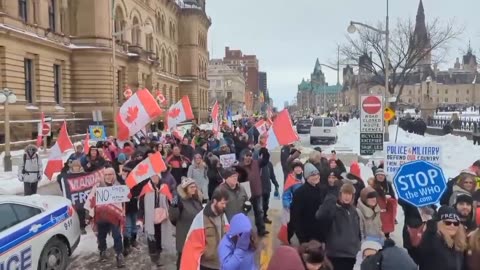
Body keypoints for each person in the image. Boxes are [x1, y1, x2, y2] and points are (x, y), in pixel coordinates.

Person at [85, 167, 125, 268]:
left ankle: (119, 255)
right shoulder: (97, 186)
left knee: (117, 236)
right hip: (101, 216)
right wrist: (88, 214)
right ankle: (102, 251)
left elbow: (123, 201)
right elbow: (90, 199)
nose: (108, 176)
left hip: (114, 216)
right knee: (101, 236)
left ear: (114, 175)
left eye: (110, 174)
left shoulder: (118, 186)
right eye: (106, 174)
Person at [180, 188, 230, 270]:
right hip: (207, 264)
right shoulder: (201, 219)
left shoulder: (223, 215)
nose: (224, 206)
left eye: (225, 204)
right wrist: (207, 253)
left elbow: (228, 234)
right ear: (214, 201)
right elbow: (192, 245)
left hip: (220, 263)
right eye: (222, 203)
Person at [316, 183, 361, 270]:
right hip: (335, 254)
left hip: (351, 254)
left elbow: (357, 231)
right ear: (340, 195)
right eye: (344, 193)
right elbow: (320, 216)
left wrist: (357, 245)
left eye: (349, 194)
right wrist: (330, 198)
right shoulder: (333, 209)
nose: (347, 196)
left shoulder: (354, 211)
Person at [417, 206, 467, 270]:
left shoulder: (458, 246)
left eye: (456, 223)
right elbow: (431, 229)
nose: (452, 225)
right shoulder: (433, 240)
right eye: (448, 223)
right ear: (439, 223)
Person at [169, 177, 203, 270]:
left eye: (194, 186)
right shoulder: (180, 201)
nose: (194, 189)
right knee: (182, 260)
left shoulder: (197, 200)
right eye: (191, 187)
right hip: (184, 235)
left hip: (196, 236)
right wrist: (174, 206)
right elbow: (173, 218)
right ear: (185, 189)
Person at [290, 163, 325, 243]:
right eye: (312, 175)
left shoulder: (322, 190)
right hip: (307, 235)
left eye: (317, 174)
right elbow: (295, 216)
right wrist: (301, 237)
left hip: (320, 234)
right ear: (306, 177)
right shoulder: (300, 193)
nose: (316, 176)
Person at [238, 149, 270, 237]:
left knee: (259, 211)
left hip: (256, 192)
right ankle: (244, 231)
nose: (248, 158)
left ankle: (261, 230)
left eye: (250, 156)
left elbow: (265, 161)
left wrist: (265, 152)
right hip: (245, 195)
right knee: (244, 212)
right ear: (243, 157)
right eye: (246, 156)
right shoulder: (239, 167)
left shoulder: (256, 163)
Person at [143, 174, 169, 268]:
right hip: (150, 216)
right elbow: (141, 203)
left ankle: (158, 253)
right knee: (151, 236)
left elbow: (169, 198)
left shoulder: (164, 187)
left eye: (156, 176)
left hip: (160, 215)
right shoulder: (146, 188)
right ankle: (154, 258)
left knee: (159, 235)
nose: (155, 178)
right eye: (153, 176)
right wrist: (140, 219)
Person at [278, 159, 304, 244]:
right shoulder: (290, 179)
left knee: (301, 227)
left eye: (299, 167)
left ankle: (302, 243)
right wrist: (288, 205)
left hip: (303, 207)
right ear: (293, 169)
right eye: (296, 167)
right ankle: (287, 240)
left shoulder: (305, 178)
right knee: (291, 227)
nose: (298, 169)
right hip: (293, 207)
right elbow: (286, 195)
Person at [371, 168, 397, 238]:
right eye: (379, 175)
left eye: (382, 175)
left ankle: (387, 237)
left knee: (387, 225)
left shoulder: (388, 184)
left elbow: (393, 195)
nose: (380, 176)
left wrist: (390, 198)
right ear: (376, 176)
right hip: (377, 208)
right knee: (378, 226)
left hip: (387, 208)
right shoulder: (373, 185)